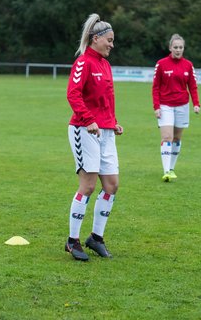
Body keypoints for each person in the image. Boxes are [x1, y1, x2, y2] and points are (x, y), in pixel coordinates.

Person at [65, 13, 123, 261]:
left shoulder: (105, 64)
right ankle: (72, 241)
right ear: (95, 38)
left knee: (111, 186)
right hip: (83, 129)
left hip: (105, 131)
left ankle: (95, 238)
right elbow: (73, 95)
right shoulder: (83, 63)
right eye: (109, 40)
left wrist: (113, 122)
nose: (112, 44)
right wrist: (89, 120)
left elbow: (107, 100)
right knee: (88, 186)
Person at [152, 33, 200, 182]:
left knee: (177, 138)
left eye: (180, 47)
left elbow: (192, 86)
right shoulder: (161, 64)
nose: (178, 50)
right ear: (170, 48)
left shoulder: (188, 65)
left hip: (182, 106)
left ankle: (172, 168)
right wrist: (157, 106)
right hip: (165, 105)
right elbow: (155, 87)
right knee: (167, 137)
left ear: (183, 48)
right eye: (175, 47)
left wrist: (196, 104)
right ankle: (166, 170)